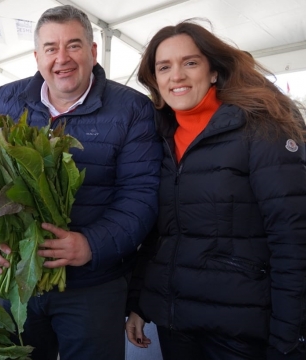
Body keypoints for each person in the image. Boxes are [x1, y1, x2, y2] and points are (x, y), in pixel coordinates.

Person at [0, 5, 162, 359]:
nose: (62, 58)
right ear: (37, 56)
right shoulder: (6, 100)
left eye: (74, 45)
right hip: (18, 279)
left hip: (93, 286)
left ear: (93, 51)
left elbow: (141, 195)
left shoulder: (132, 109)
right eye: (51, 48)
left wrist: (90, 244)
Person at [125, 20, 306, 360]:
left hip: (240, 330)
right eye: (164, 67)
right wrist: (139, 302)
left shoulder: (260, 128)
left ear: (213, 71)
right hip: (176, 324)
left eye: (189, 63)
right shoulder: (158, 137)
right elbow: (158, 233)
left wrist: (288, 338)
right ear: (155, 79)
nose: (176, 75)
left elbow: (293, 241)